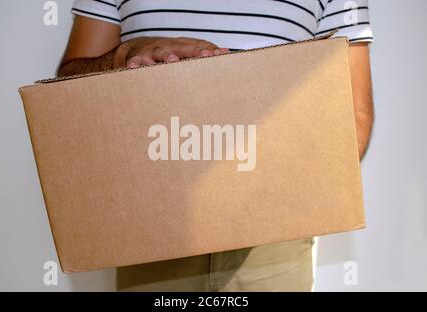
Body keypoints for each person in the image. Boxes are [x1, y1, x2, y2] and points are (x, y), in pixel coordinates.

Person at [58, 0, 374, 292]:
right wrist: (121, 55)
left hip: (274, 240)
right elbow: (65, 91)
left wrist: (286, 200)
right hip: (151, 230)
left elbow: (353, 114)